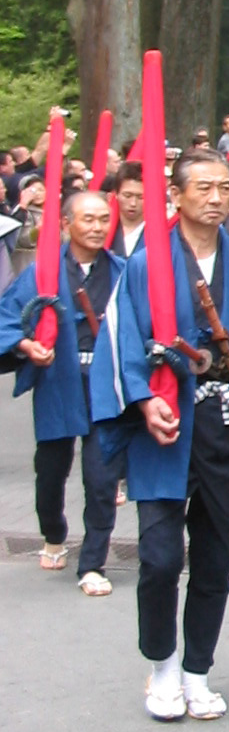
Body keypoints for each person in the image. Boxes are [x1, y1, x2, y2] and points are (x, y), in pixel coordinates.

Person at [92, 149, 229, 720]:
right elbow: (121, 343)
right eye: (202, 187)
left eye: (225, 187)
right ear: (175, 195)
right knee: (159, 557)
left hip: (226, 430)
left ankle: (198, 669)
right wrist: (145, 399)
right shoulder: (147, 266)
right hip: (167, 431)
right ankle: (162, 665)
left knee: (218, 559)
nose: (216, 197)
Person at [0, 190, 125, 593]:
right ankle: (54, 532)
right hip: (59, 381)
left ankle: (93, 564)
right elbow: (8, 318)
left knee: (102, 479)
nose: (96, 227)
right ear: (67, 224)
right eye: (87, 219)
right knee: (50, 473)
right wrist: (25, 345)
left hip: (105, 387)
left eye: (103, 219)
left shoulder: (123, 271)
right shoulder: (42, 272)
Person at [110, 161, 146, 258]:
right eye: (127, 196)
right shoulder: (106, 230)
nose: (133, 203)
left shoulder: (160, 233)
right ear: (116, 194)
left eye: (140, 197)